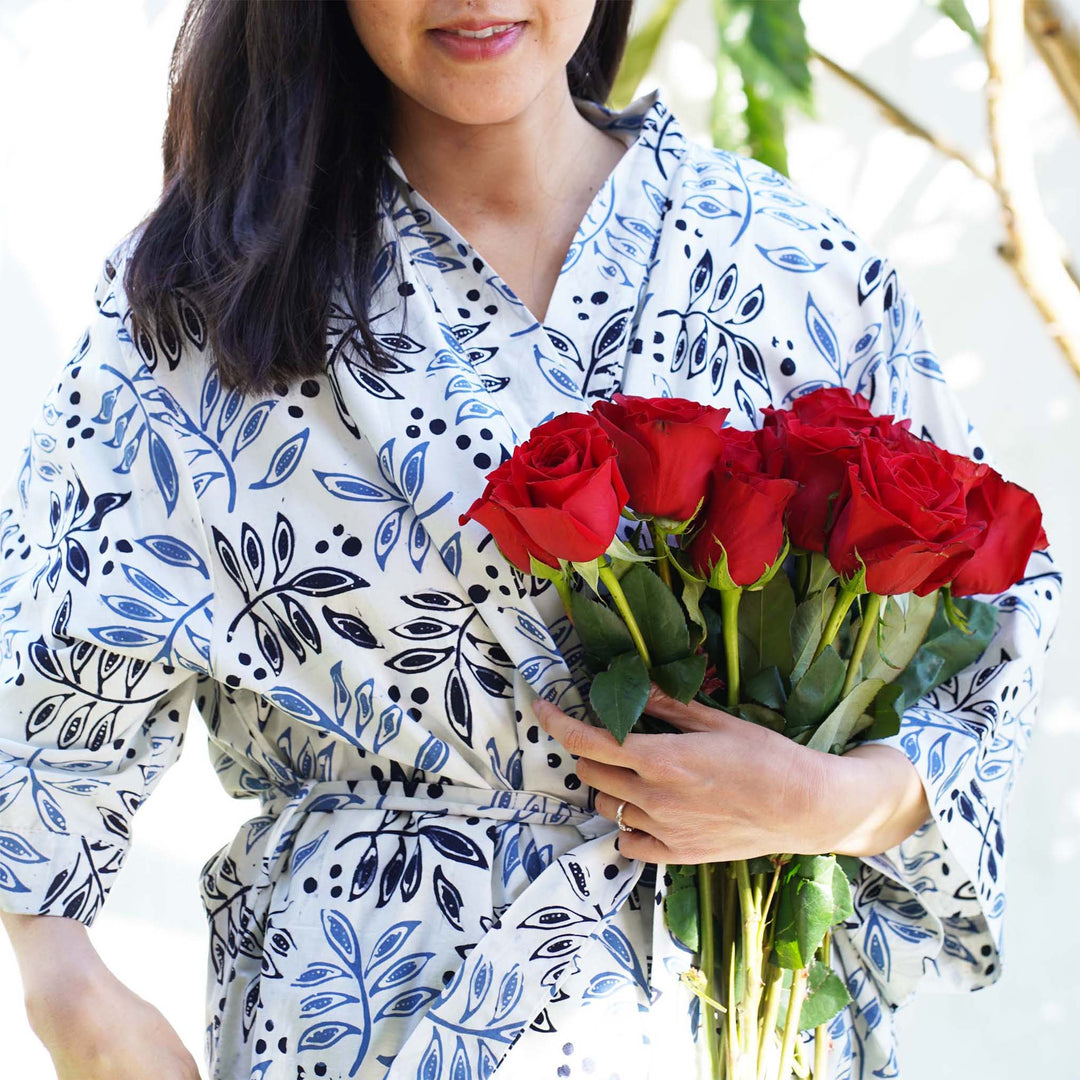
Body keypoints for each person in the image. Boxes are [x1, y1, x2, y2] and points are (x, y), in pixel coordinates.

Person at [0, 1, 1062, 1078]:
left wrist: (835, 801)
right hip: (363, 1013)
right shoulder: (213, 297)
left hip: (730, 1010)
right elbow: (52, 640)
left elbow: (997, 606)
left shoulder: (789, 266)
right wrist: (66, 986)